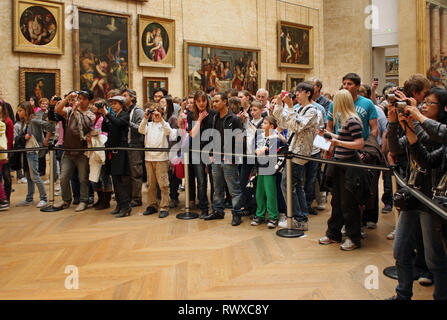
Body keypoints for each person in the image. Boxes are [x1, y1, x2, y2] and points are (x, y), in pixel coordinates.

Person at [387, 86, 447, 299]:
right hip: (413, 195)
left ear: (442, 108)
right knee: (400, 250)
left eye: (429, 103)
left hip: (431, 201)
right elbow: (395, 148)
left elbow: (432, 143)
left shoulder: (441, 132)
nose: (423, 106)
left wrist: (416, 117)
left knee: (433, 258)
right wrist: (395, 122)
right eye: (424, 102)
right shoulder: (422, 125)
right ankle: (402, 294)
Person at [318, 90, 366, 251]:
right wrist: (329, 135)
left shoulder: (353, 120)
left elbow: (359, 144)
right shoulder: (345, 120)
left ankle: (353, 238)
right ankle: (333, 233)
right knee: (337, 201)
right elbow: (344, 139)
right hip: (339, 164)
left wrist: (337, 143)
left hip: (349, 166)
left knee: (348, 203)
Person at [273, 82, 319, 231]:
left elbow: (297, 126)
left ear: (308, 93)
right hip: (293, 151)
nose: (296, 95)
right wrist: (280, 105)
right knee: (296, 186)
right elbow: (283, 123)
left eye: (300, 92)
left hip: (300, 152)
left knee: (286, 185)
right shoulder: (300, 109)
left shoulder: (312, 111)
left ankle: (296, 218)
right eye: (296, 92)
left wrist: (290, 107)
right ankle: (301, 218)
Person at [205, 92, 245, 226]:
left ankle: (237, 213)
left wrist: (232, 156)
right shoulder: (215, 117)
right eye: (214, 101)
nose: (214, 104)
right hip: (216, 157)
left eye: (217, 101)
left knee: (234, 188)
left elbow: (240, 140)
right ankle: (218, 211)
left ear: (225, 102)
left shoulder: (234, 119)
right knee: (217, 187)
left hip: (228, 159)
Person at [54, 90, 95, 212]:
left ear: (89, 101)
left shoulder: (91, 114)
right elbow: (58, 110)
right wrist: (67, 99)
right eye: (79, 98)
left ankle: (84, 200)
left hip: (82, 151)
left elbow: (85, 126)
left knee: (83, 178)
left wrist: (77, 111)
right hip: (68, 150)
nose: (80, 100)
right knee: (63, 177)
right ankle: (66, 200)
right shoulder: (70, 111)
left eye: (83, 98)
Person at [139, 103, 177, 218]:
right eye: (153, 112)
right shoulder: (148, 125)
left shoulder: (164, 124)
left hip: (161, 159)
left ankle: (164, 206)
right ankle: (152, 204)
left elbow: (170, 133)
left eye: (157, 112)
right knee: (150, 184)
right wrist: (145, 118)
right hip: (149, 158)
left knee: (163, 184)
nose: (155, 114)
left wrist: (161, 120)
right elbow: (140, 130)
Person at [15, 102, 55, 208]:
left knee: (35, 176)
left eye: (20, 110)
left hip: (33, 150)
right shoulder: (25, 121)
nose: (18, 113)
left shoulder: (33, 120)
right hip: (27, 150)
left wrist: (45, 140)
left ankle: (44, 198)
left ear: (26, 110)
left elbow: (50, 127)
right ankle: (29, 198)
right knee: (28, 176)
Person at [186, 91, 217, 218]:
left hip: (210, 151)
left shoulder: (213, 114)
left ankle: (215, 208)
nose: (201, 103)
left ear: (207, 101)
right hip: (196, 151)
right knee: (201, 181)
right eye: (198, 101)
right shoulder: (191, 115)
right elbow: (192, 134)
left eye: (203, 101)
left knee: (214, 181)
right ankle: (204, 208)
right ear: (195, 102)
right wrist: (199, 119)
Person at [100, 96, 132, 218]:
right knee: (115, 179)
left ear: (121, 104)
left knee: (119, 180)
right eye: (111, 104)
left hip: (120, 149)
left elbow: (118, 124)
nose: (113, 105)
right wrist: (104, 116)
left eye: (115, 103)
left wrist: (107, 114)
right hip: (112, 150)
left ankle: (126, 206)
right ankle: (119, 205)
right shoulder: (114, 116)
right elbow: (105, 128)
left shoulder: (124, 115)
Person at [327, 73, 378, 141]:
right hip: (340, 146)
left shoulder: (367, 103)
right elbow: (329, 127)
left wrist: (369, 146)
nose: (345, 87)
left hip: (362, 146)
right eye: (344, 84)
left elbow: (374, 128)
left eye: (349, 84)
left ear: (357, 86)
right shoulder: (334, 104)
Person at [251, 116, 279, 229]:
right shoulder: (261, 136)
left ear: (271, 126)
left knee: (270, 193)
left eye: (265, 123)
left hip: (270, 168)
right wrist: (257, 150)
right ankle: (260, 214)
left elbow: (274, 151)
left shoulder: (275, 137)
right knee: (259, 192)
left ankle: (273, 216)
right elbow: (257, 149)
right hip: (260, 166)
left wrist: (265, 149)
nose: (262, 125)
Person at [121, 88, 144, 208]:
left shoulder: (138, 111)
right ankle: (128, 197)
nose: (123, 98)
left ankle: (136, 198)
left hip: (135, 144)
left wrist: (127, 123)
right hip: (125, 145)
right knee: (126, 173)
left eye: (125, 96)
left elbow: (141, 128)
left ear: (132, 97)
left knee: (136, 172)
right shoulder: (123, 110)